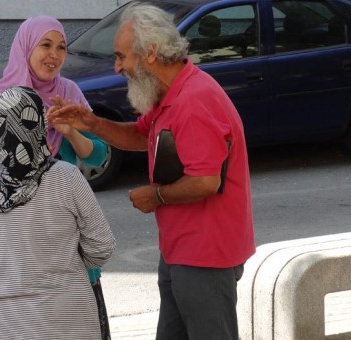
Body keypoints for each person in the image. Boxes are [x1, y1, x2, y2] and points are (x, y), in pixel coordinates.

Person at [48, 3, 256, 340]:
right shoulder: (171, 93)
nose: (117, 67)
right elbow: (142, 136)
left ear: (150, 53)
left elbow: (205, 181)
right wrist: (91, 123)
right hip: (182, 250)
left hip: (206, 254)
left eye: (121, 57)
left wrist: (155, 195)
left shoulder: (193, 100)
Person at [0, 15, 112, 338]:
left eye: (61, 47)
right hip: (23, 245)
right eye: (46, 45)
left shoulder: (69, 91)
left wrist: (69, 132)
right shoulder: (1, 99)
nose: (54, 55)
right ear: (26, 47)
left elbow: (99, 156)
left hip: (67, 236)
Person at [0, 85, 115, 339]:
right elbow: (102, 246)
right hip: (64, 322)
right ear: (38, 123)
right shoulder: (65, 177)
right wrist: (66, 265)